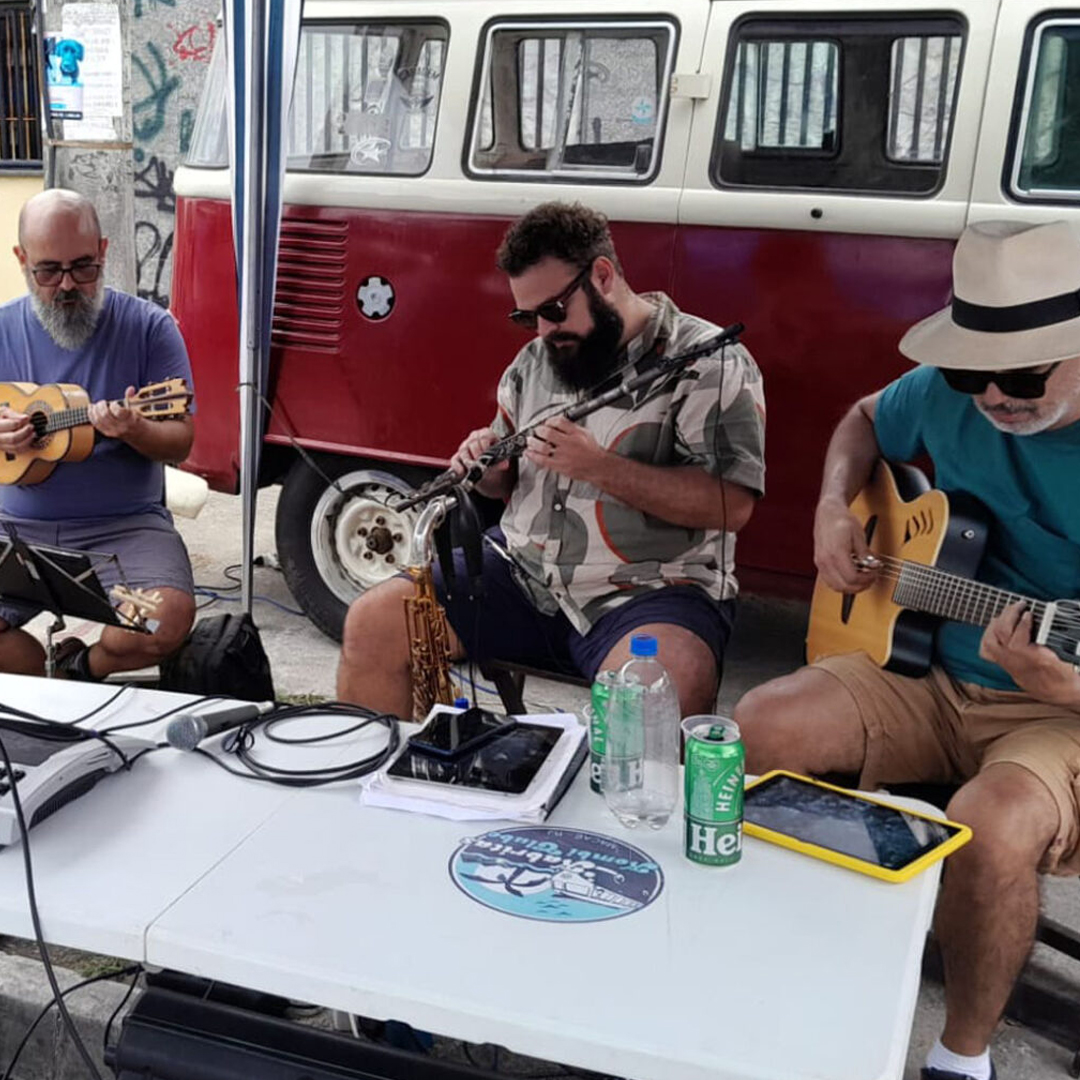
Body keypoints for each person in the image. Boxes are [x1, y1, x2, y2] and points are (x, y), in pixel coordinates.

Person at [733, 219, 1080, 1080]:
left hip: (1056, 713)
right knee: (760, 725)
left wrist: (1062, 687)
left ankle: (961, 1058)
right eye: (972, 371)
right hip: (922, 670)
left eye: (1023, 372)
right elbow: (862, 419)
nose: (994, 396)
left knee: (990, 826)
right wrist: (830, 508)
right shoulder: (944, 394)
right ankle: (801, 973)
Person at [338, 200, 765, 718]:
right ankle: (389, 785)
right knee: (373, 623)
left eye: (554, 311)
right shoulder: (535, 363)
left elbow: (731, 504)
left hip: (648, 590)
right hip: (522, 572)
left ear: (602, 277)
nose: (542, 331)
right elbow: (503, 478)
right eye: (527, 316)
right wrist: (489, 473)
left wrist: (600, 467)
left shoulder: (709, 361)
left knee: (656, 691)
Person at [0, 188, 196, 680]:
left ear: (104, 252)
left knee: (157, 618)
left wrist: (136, 429)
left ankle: (81, 666)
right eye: (48, 271)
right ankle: (42, 689)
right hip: (15, 536)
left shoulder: (150, 329)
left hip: (123, 534)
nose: (67, 285)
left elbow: (181, 439)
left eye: (83, 267)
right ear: (22, 260)